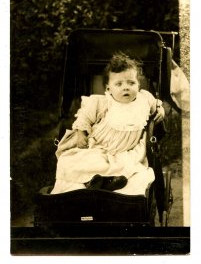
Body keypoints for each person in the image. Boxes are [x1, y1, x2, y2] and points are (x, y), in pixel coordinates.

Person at [51, 52, 165, 195]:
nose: (126, 87)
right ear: (108, 88)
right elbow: (84, 118)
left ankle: (109, 181)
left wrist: (160, 110)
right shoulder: (102, 102)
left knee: (129, 165)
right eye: (119, 84)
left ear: (138, 84)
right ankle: (94, 181)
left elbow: (157, 106)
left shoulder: (145, 99)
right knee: (74, 161)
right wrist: (81, 134)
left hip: (127, 150)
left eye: (131, 83)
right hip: (100, 146)